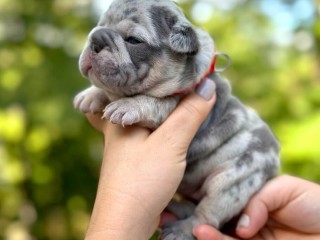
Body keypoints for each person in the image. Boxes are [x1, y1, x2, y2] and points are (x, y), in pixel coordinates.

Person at [83, 78, 320, 240]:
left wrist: (117, 216)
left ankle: (201, 217)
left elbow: (161, 107)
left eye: (134, 40)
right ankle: (196, 213)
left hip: (235, 168)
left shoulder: (184, 81)